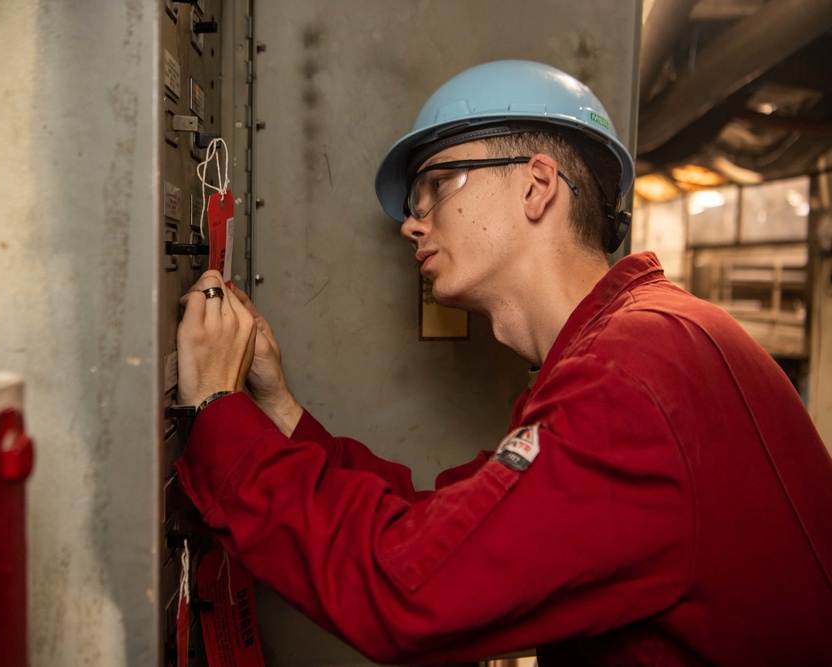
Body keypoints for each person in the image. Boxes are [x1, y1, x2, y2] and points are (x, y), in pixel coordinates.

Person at [174, 60, 832, 666]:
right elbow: (454, 529)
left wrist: (216, 414)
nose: (412, 222)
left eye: (435, 184)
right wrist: (276, 411)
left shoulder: (628, 377)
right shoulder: (642, 343)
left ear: (538, 185)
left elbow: (407, 584)